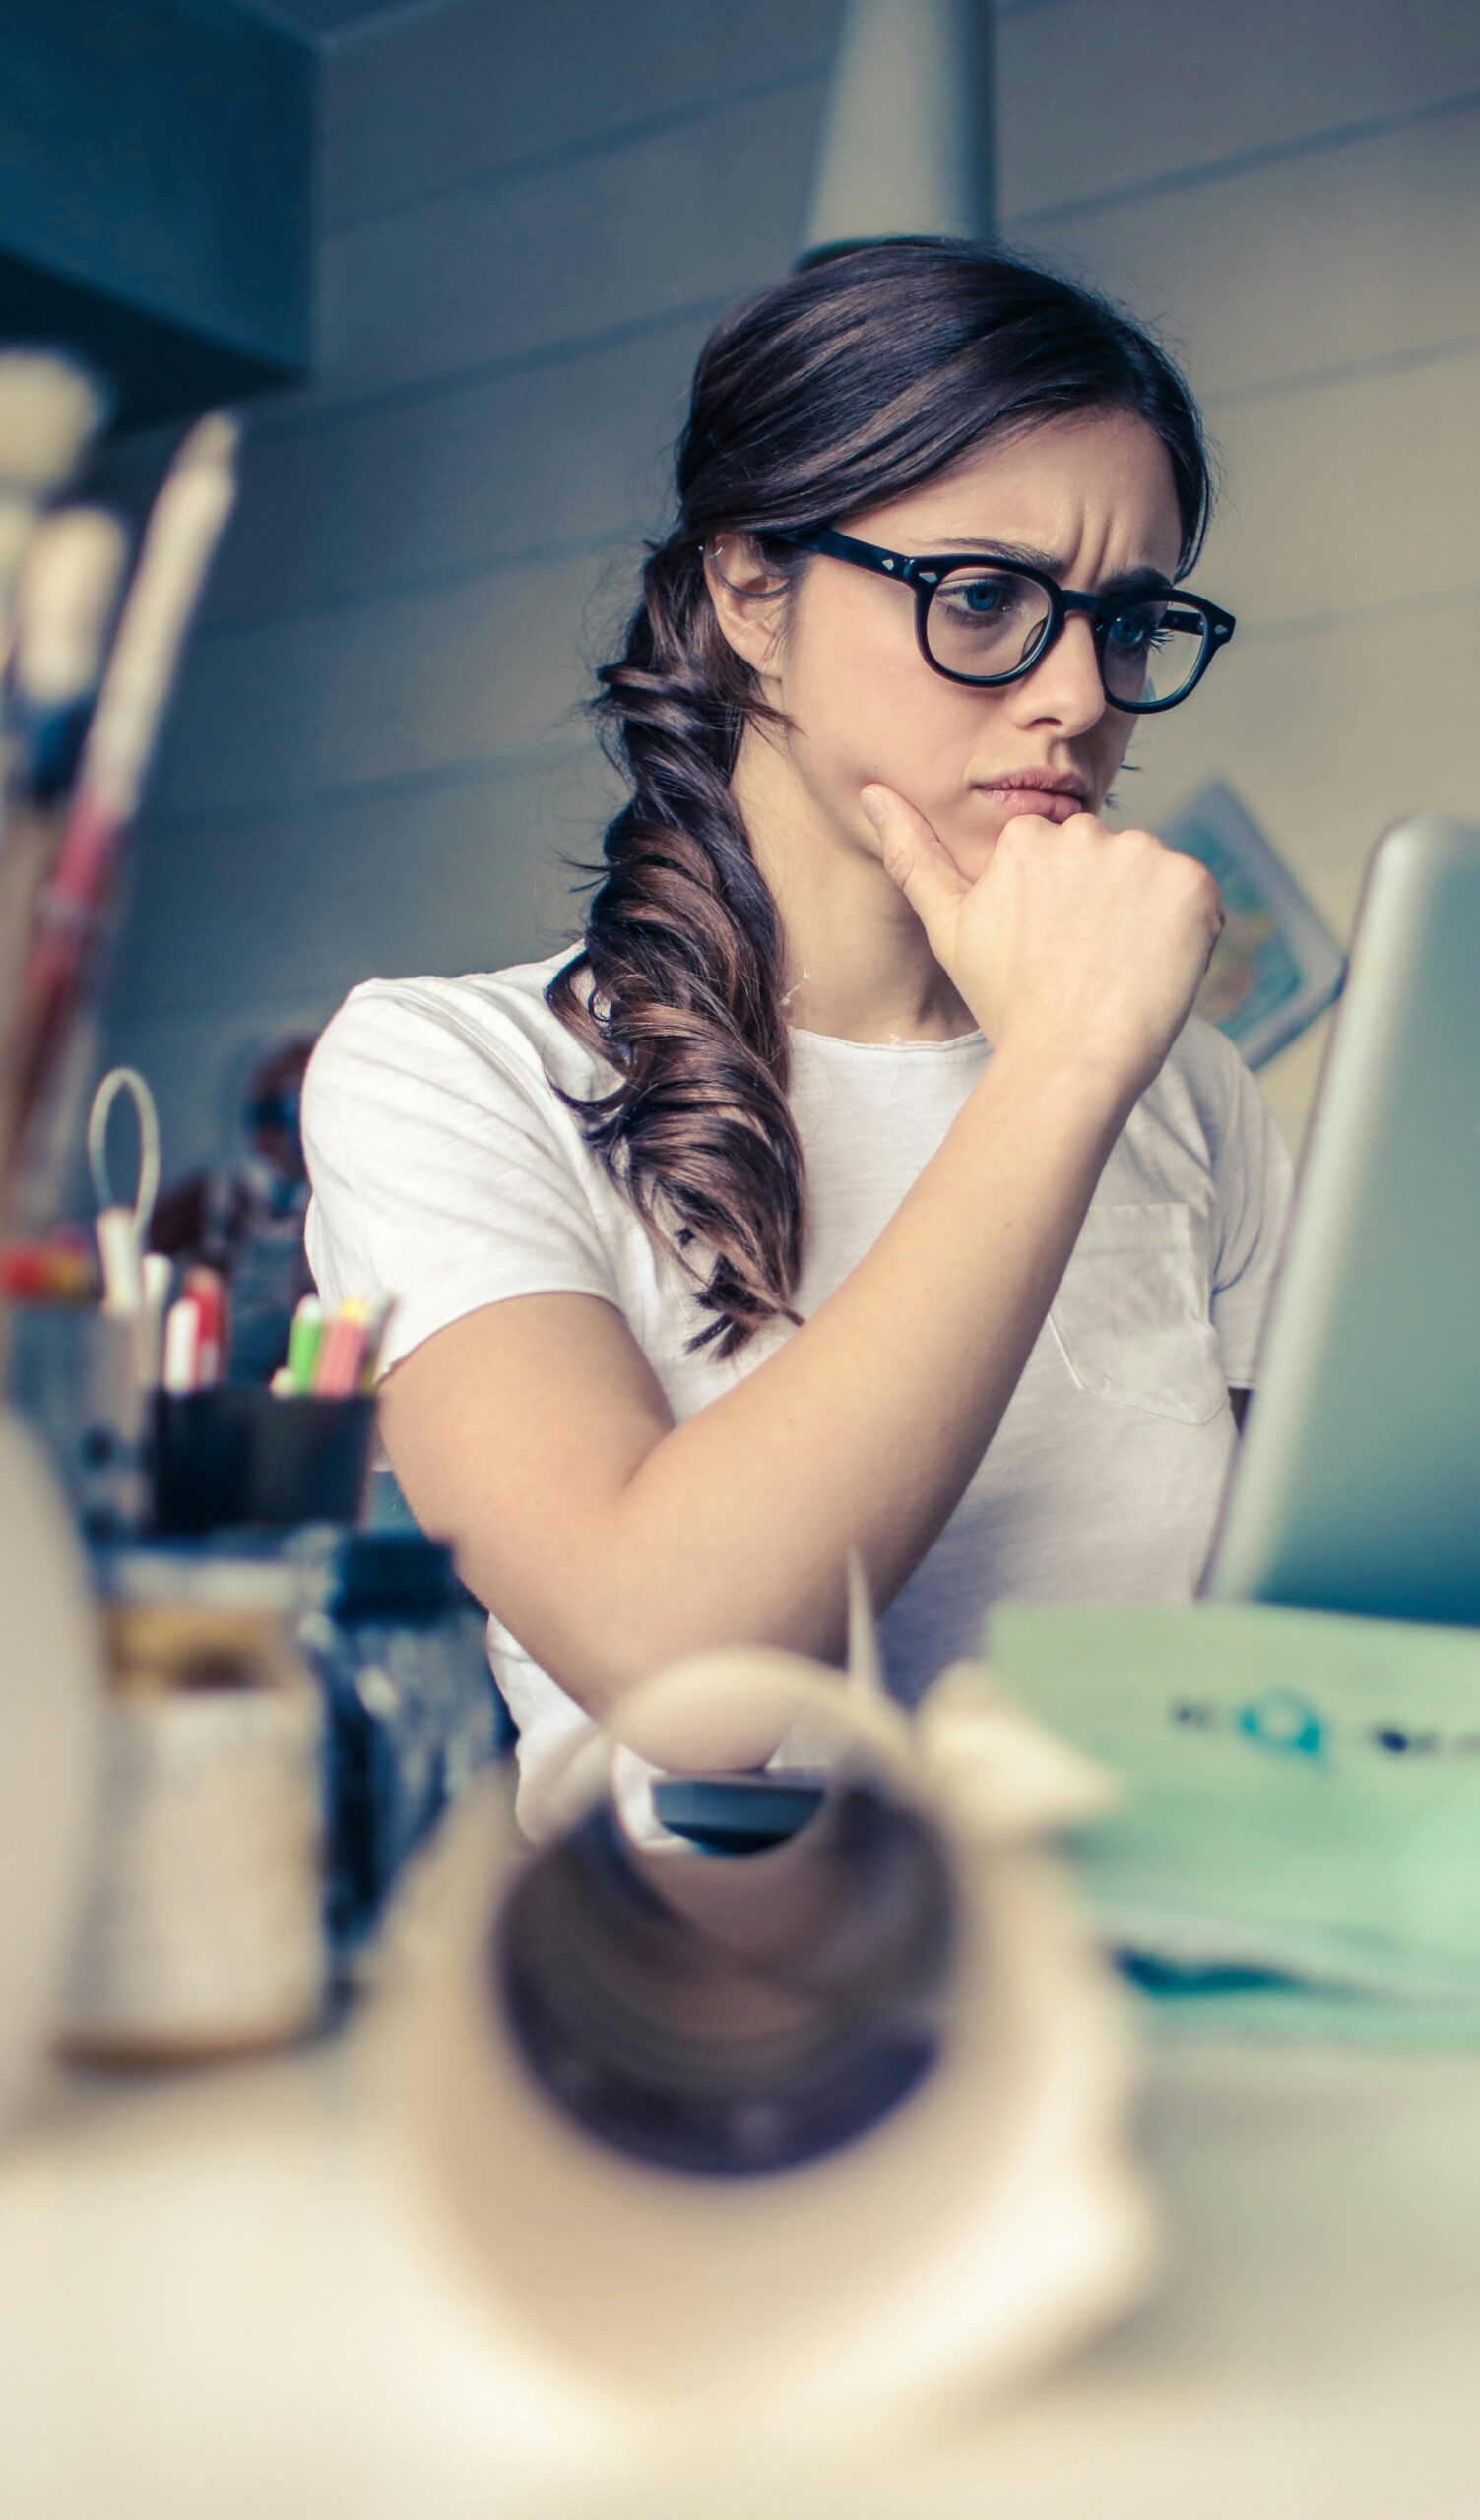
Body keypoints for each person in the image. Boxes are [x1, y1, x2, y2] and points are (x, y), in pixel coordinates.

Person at [299, 239, 1292, 1836]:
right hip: (702, 2020)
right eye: (981, 599)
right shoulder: (447, 1073)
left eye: (1126, 619)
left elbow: (1286, 1664)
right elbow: (685, 1667)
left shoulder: (1194, 1099)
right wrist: (1054, 1075)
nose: (1073, 698)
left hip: (1155, 2007)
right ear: (749, 593)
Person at [148, 1029, 319, 1383]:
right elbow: (139, 1260)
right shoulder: (211, 1195)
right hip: (209, 1388)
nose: (289, 1135)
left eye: (303, 1110)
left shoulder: (333, 1210)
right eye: (276, 1113)